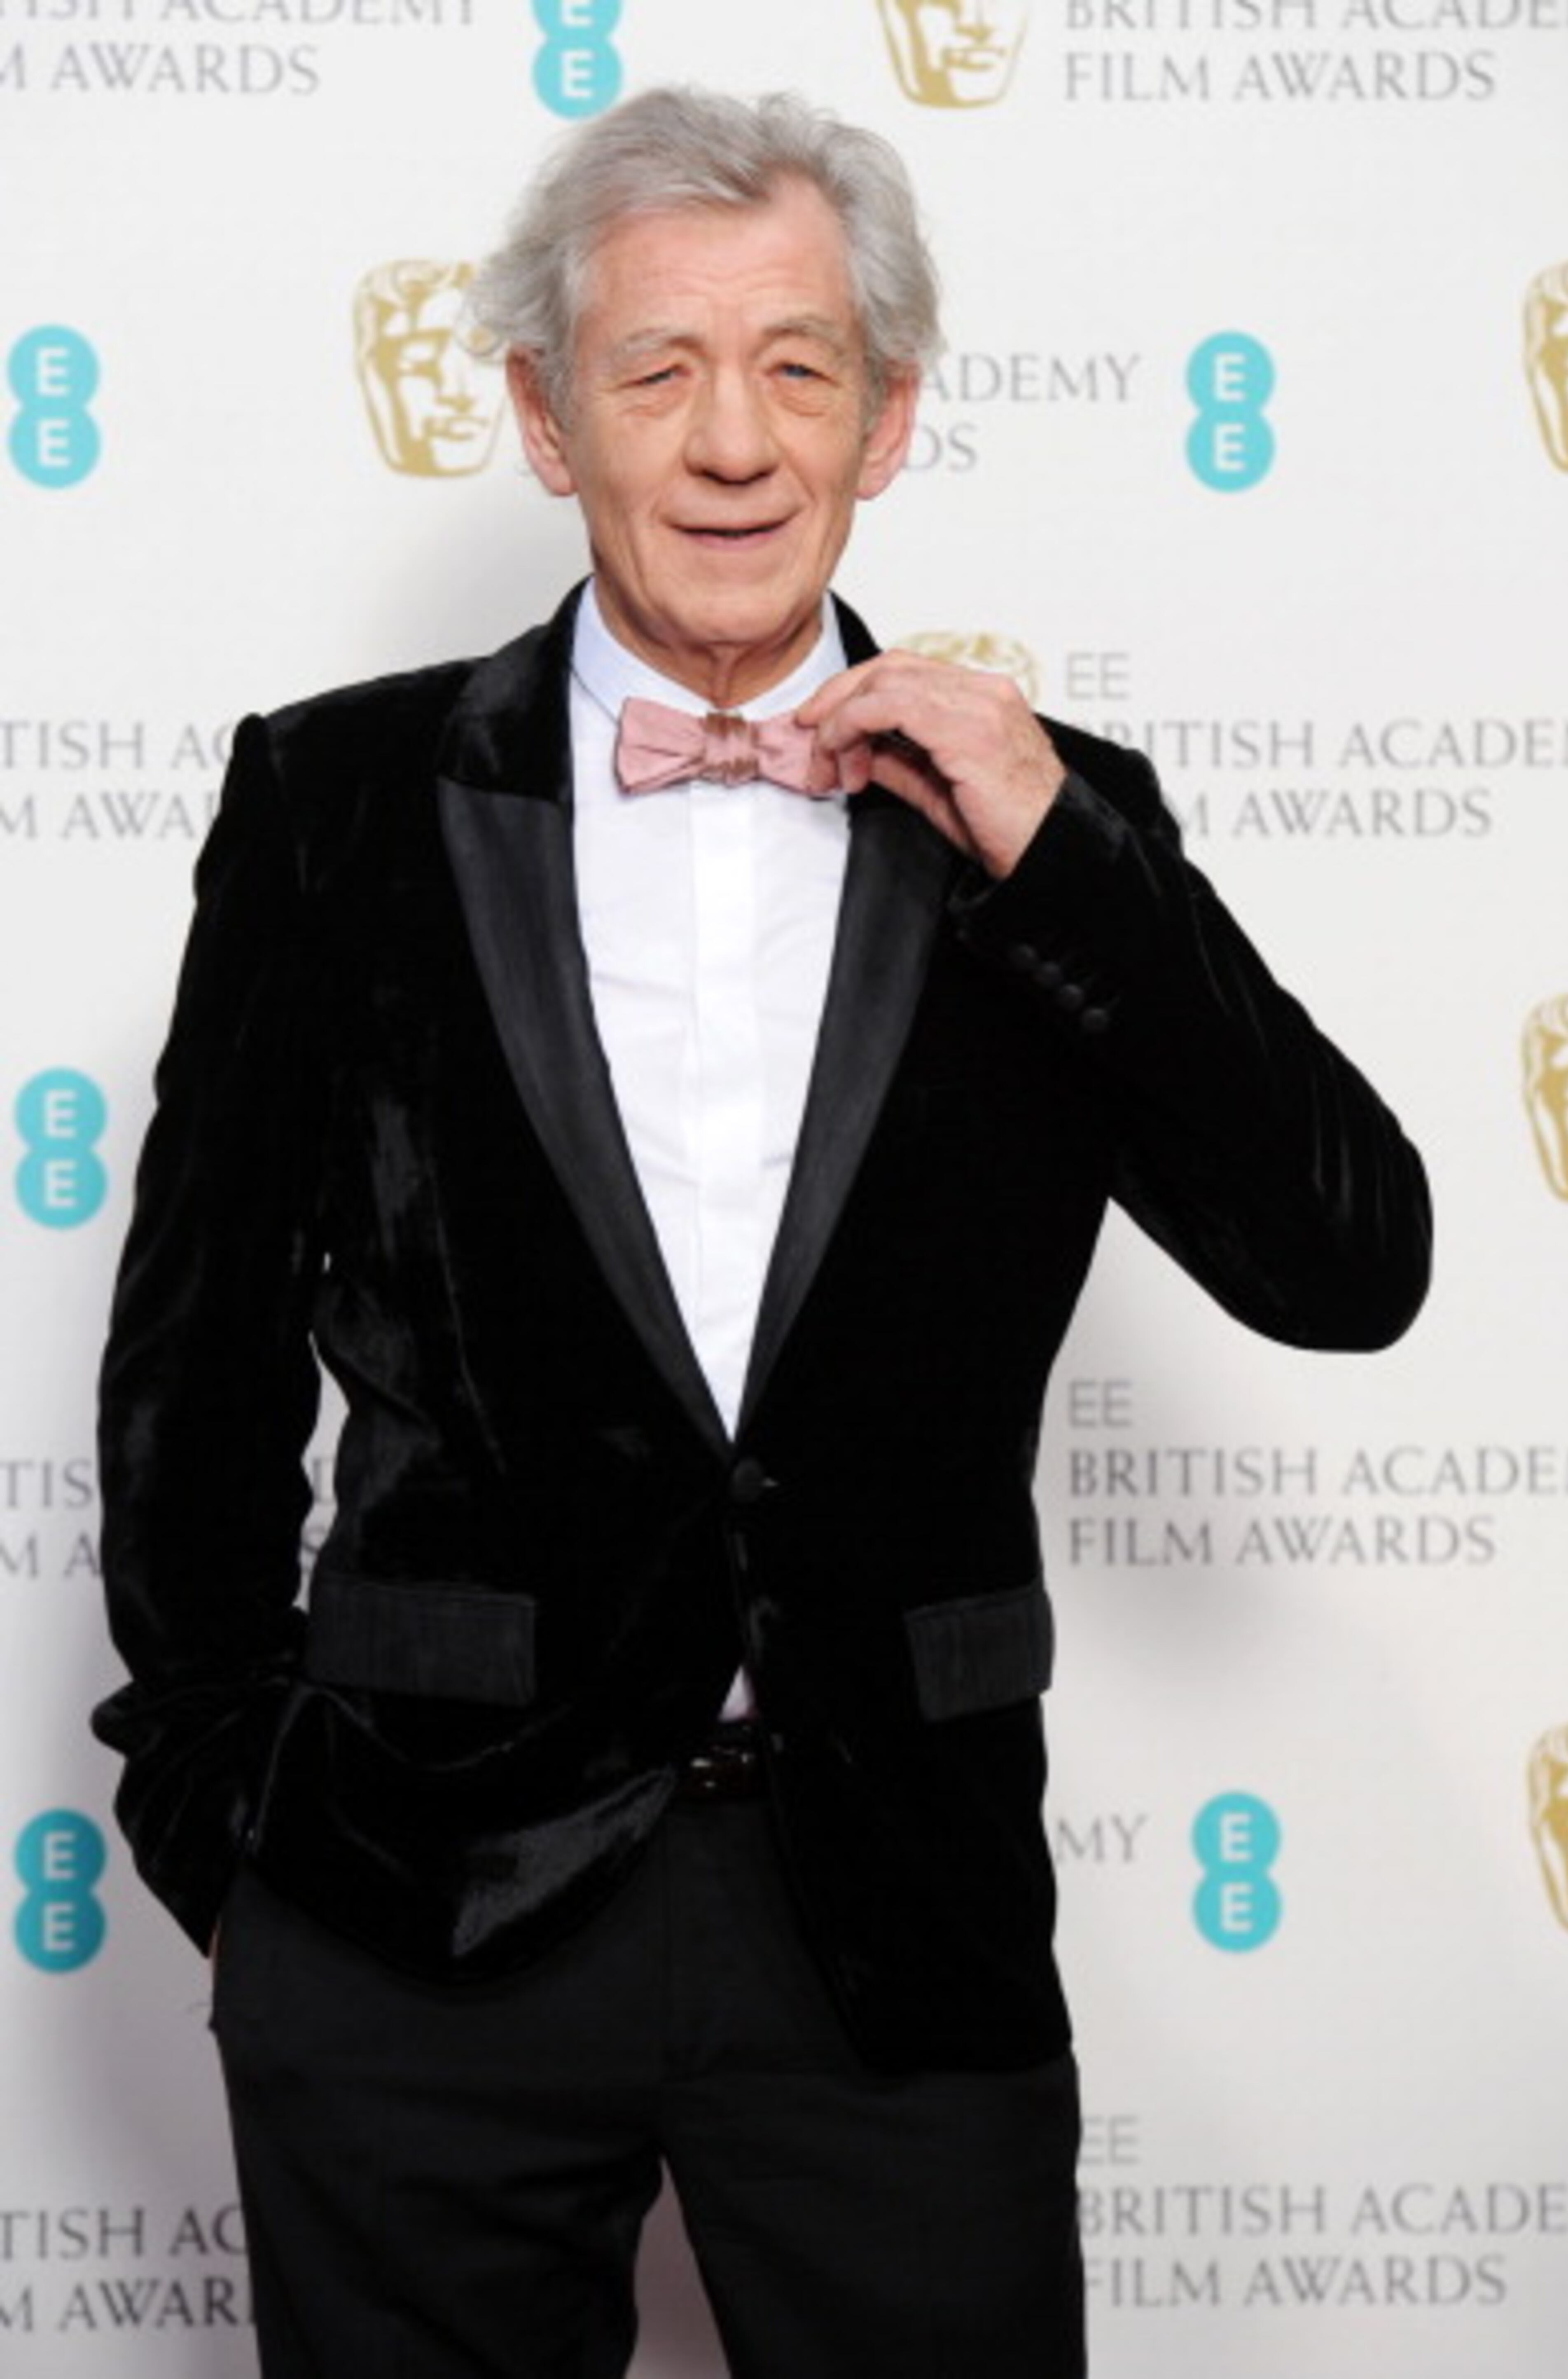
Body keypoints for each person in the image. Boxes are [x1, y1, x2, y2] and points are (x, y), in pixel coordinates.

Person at [94, 84, 1431, 2379]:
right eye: (658, 369)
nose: (734, 442)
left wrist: (1067, 858)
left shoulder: (1052, 825)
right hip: (420, 1914)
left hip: (893, 1919)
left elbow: (1350, 1261)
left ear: (892, 418)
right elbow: (193, 1374)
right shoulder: (334, 800)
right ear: (541, 414)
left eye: (800, 368)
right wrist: (237, 1835)